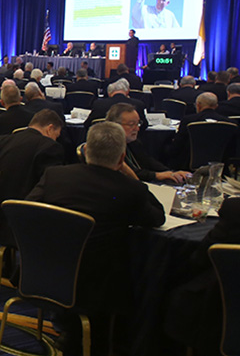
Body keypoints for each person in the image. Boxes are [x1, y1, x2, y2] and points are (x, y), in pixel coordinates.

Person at [27, 122, 164, 343]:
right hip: (99, 282)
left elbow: (26, 210)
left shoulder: (56, 176)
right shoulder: (130, 190)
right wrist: (131, 176)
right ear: (121, 158)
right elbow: (158, 217)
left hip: (46, 268)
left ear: (85, 151)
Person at [0, 109, 65, 231]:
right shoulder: (50, 147)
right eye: (56, 135)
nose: (55, 139)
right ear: (50, 128)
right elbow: (51, 185)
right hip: (23, 216)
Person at [105, 103, 189, 184]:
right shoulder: (108, 147)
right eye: (131, 124)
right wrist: (157, 175)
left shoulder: (133, 142)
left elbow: (148, 161)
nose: (137, 129)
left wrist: (171, 173)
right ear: (115, 125)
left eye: (138, 123)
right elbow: (127, 174)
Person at [168, 92, 234, 169]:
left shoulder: (188, 120)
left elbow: (178, 145)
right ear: (216, 106)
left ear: (198, 105)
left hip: (188, 162)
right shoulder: (230, 123)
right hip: (221, 163)